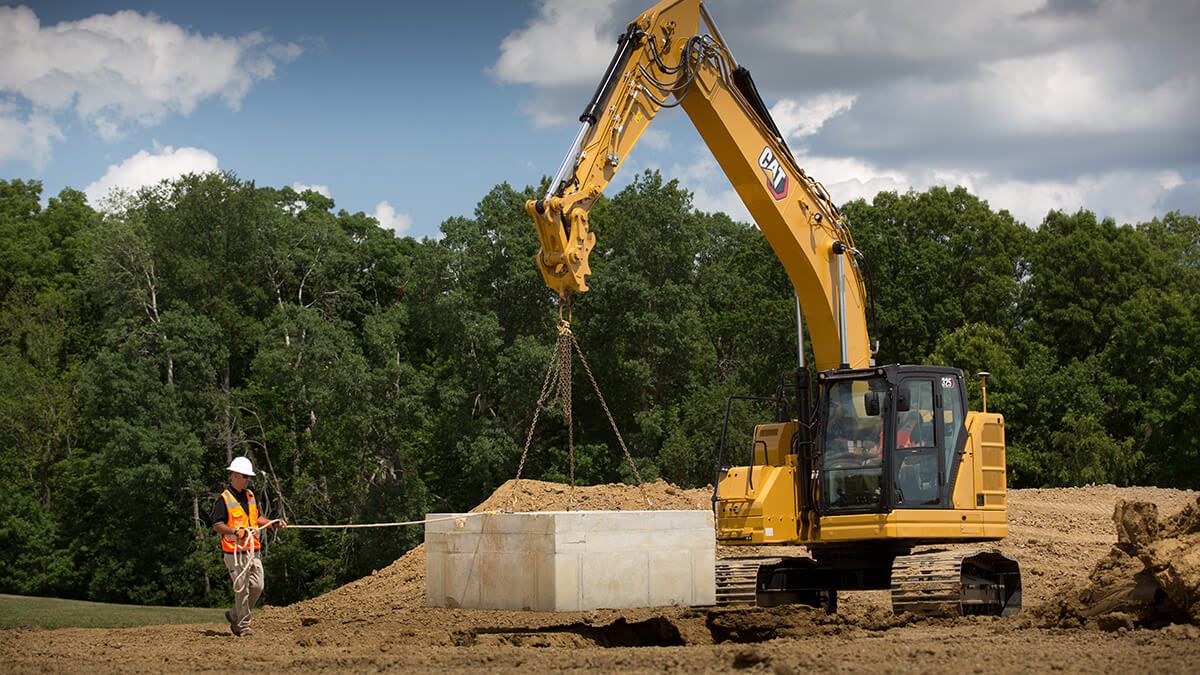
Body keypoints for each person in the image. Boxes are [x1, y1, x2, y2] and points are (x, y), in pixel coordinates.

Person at [210, 456, 286, 637]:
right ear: (234, 475)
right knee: (241, 589)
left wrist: (272, 523)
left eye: (248, 477)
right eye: (244, 476)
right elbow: (217, 524)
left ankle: (235, 614)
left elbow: (256, 519)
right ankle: (243, 626)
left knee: (258, 586)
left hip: (253, 550)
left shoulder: (250, 496)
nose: (247, 480)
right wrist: (236, 531)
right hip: (234, 552)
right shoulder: (224, 499)